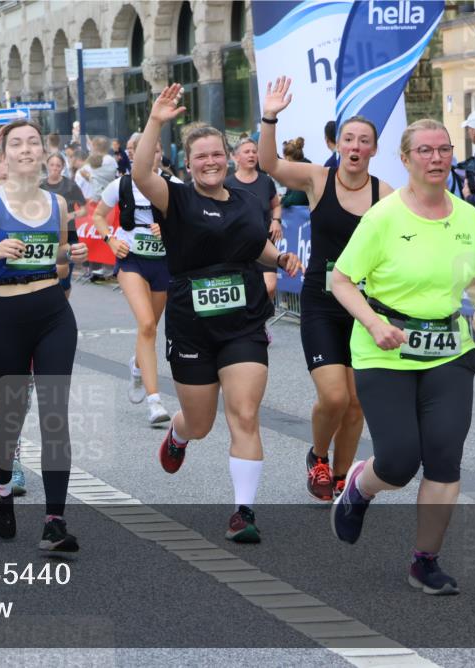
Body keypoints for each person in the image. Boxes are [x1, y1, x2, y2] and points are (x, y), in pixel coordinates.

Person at [330, 119, 475, 595]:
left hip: (449, 349)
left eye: (444, 149)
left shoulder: (467, 217)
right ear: (405, 159)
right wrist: (374, 324)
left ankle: (425, 561)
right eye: (424, 150)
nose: (436, 158)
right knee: (399, 463)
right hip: (386, 350)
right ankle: (360, 487)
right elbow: (341, 280)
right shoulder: (383, 217)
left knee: (444, 456)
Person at [132, 84, 302, 543]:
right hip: (192, 326)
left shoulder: (247, 201)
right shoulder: (176, 199)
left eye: (216, 154)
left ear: (227, 159)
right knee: (201, 422)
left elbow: (255, 245)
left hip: (243, 322)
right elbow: (141, 174)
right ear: (188, 165)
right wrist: (156, 121)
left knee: (244, 414)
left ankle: (243, 512)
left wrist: (279, 258)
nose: (210, 162)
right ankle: (179, 435)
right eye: (200, 156)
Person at [0, 118, 88, 552]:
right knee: (11, 414)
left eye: (33, 143)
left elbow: (57, 260)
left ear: (43, 152)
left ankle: (54, 522)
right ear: (4, 155)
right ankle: (2, 488)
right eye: (17, 144)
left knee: (54, 412)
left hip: (52, 314)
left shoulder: (57, 204)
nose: (26, 149)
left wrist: (72, 253)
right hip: (3, 317)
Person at [259, 78, 395, 501]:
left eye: (364, 141)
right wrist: (269, 117)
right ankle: (318, 456)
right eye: (349, 139)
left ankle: (340, 478)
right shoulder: (319, 179)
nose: (355, 146)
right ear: (337, 145)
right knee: (334, 396)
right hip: (321, 301)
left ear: (373, 150)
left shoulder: (385, 195)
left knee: (356, 404)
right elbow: (269, 164)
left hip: (364, 308)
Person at [95, 133, 179, 427]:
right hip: (131, 259)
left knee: (150, 327)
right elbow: (99, 216)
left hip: (163, 263)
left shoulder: (173, 185)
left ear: (160, 155)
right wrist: (110, 240)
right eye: (144, 150)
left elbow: (189, 223)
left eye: (155, 151)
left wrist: (168, 228)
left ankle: (137, 366)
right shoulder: (121, 185)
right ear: (133, 154)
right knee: (146, 324)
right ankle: (155, 402)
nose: (149, 156)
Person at [227, 137, 283, 301]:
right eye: (247, 152)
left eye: (254, 151)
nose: (251, 155)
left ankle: (262, 314)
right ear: (236, 157)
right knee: (245, 291)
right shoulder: (227, 183)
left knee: (270, 286)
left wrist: (276, 220)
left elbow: (276, 205)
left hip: (264, 243)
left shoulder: (266, 181)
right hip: (238, 246)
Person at [40, 152, 87, 298]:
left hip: (69, 236)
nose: (54, 168)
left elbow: (84, 209)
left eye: (58, 165)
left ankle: (63, 305)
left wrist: (69, 216)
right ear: (47, 166)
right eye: (52, 165)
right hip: (47, 236)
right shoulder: (40, 186)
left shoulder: (70, 185)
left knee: (64, 279)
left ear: (62, 167)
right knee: (46, 278)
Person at [80, 136, 119, 200]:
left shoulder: (107, 160)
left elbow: (102, 179)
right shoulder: (95, 159)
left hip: (103, 198)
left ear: (95, 146)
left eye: (92, 145)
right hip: (95, 197)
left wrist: (88, 176)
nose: (90, 148)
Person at [279, 138, 311, 207]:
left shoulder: (302, 173)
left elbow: (296, 200)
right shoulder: (305, 168)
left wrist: (281, 200)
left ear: (288, 158)